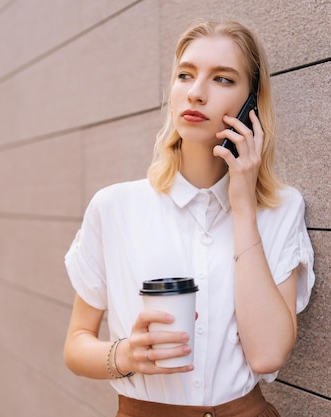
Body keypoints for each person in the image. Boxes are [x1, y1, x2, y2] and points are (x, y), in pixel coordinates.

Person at [63, 20, 315, 417]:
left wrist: (243, 205)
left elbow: (267, 356)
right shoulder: (114, 207)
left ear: (252, 103)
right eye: (185, 75)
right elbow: (76, 344)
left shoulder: (280, 209)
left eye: (223, 79)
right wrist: (126, 354)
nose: (196, 93)